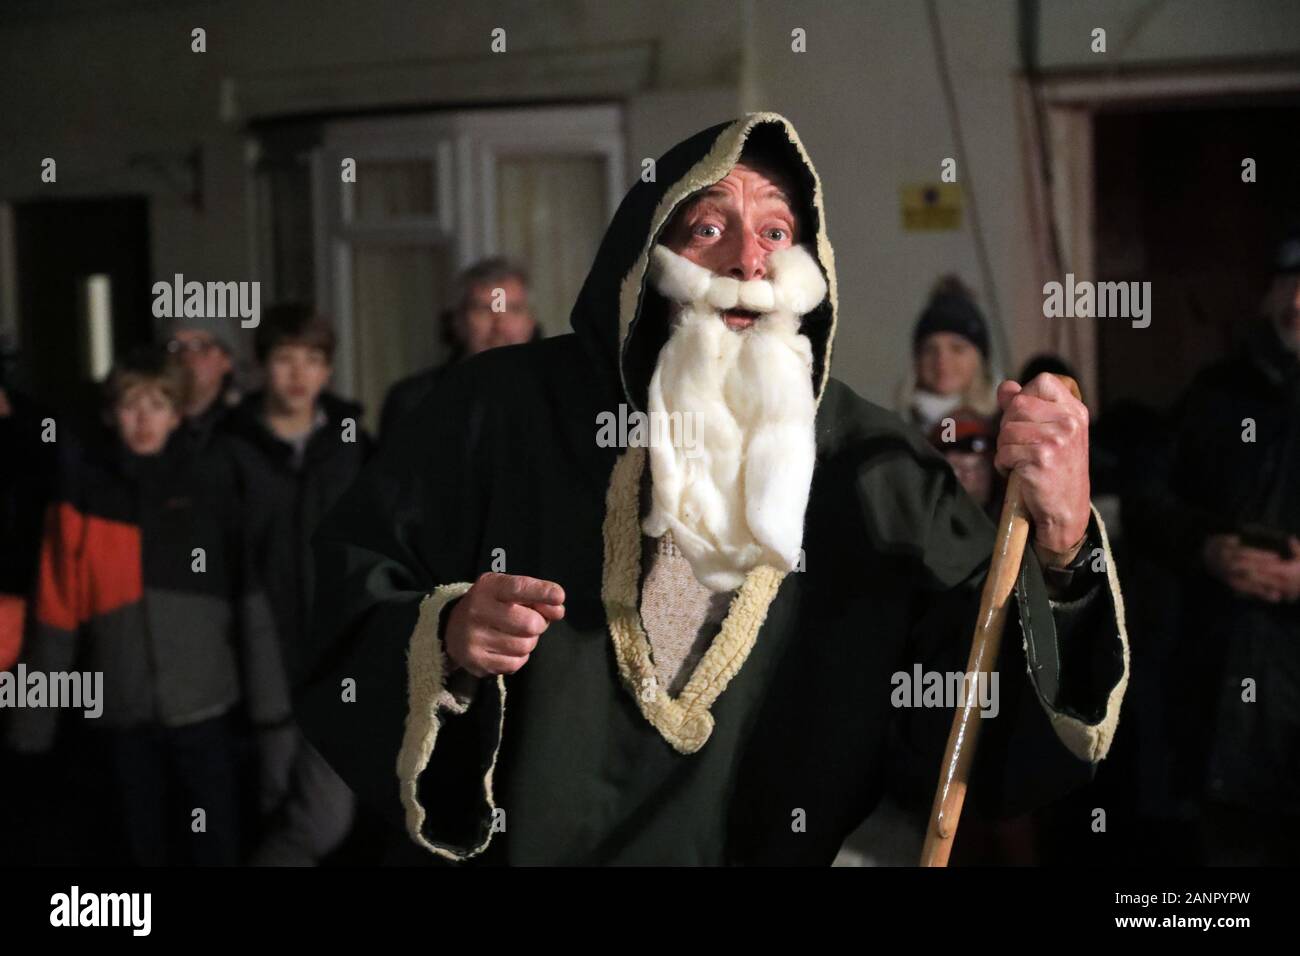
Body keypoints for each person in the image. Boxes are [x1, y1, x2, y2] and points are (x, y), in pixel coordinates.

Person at [295, 113, 1130, 866]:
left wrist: (1059, 547)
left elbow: (978, 725)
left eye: (776, 230)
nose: (748, 260)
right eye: (709, 226)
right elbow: (343, 591)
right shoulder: (499, 412)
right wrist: (446, 640)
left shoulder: (874, 464)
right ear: (646, 254)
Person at [3, 347, 255, 865]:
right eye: (131, 405)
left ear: (178, 413)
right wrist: (31, 730)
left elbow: (251, 605)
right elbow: (55, 618)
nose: (144, 420)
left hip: (205, 711)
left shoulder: (211, 485)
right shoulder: (81, 495)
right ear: (110, 413)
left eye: (159, 405)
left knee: (213, 849)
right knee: (135, 853)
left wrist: (272, 713)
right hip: (118, 715)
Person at [1129, 233, 1300, 865]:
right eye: (1288, 283)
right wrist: (1207, 548)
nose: (1299, 302)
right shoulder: (1217, 393)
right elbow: (1146, 501)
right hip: (1218, 708)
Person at [223, 303, 372, 865]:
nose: (298, 374)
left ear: (328, 370)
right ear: (262, 366)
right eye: (285, 359)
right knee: (270, 801)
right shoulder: (229, 447)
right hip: (254, 656)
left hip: (338, 650)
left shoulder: (353, 440)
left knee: (324, 817)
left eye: (313, 360)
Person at [379, 259, 537, 443]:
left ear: (531, 321)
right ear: (458, 321)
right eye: (484, 310)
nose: (500, 324)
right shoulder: (414, 400)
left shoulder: (558, 394)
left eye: (513, 309)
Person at [897, 276, 1000, 434]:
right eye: (930, 349)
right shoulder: (895, 431)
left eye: (957, 349)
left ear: (979, 359)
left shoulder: (1004, 427)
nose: (942, 360)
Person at [164, 317, 241, 452]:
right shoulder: (154, 429)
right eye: (175, 347)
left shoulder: (246, 433)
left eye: (199, 346)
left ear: (226, 360)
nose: (186, 357)